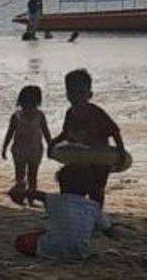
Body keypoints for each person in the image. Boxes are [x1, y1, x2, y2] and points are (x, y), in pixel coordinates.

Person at [9, 163, 116, 260]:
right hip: (80, 252)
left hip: (51, 249)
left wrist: (18, 191)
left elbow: (33, 193)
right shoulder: (93, 206)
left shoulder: (53, 199)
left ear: (61, 184)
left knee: (21, 241)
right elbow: (109, 230)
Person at [51, 68, 126, 206]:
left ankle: (96, 216)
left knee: (96, 192)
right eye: (72, 92)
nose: (76, 96)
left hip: (99, 161)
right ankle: (71, 214)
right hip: (78, 161)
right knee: (70, 187)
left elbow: (114, 131)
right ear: (67, 94)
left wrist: (121, 153)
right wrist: (53, 144)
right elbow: (66, 133)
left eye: (80, 92)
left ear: (89, 94)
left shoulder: (96, 113)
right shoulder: (70, 113)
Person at [2, 85, 52, 204]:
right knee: (20, 176)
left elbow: (46, 132)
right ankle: (20, 197)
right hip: (19, 150)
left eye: (31, 104)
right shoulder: (16, 116)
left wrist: (51, 146)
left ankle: (31, 198)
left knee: (32, 176)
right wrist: (4, 148)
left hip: (35, 150)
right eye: (26, 103)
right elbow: (9, 133)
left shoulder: (40, 116)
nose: (28, 107)